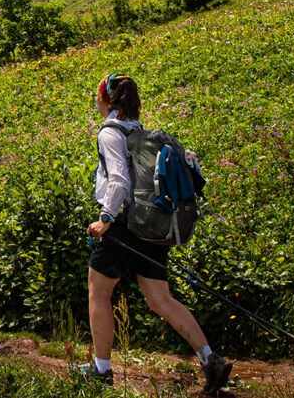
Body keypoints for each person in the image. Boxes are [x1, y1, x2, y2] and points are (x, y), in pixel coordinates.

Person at [76, 73, 232, 393]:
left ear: (106, 100)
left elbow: (118, 180)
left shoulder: (110, 132)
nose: (95, 102)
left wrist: (106, 218)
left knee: (99, 292)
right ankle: (209, 359)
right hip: (150, 224)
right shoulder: (139, 130)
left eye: (97, 97)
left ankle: (101, 370)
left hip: (121, 223)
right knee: (161, 298)